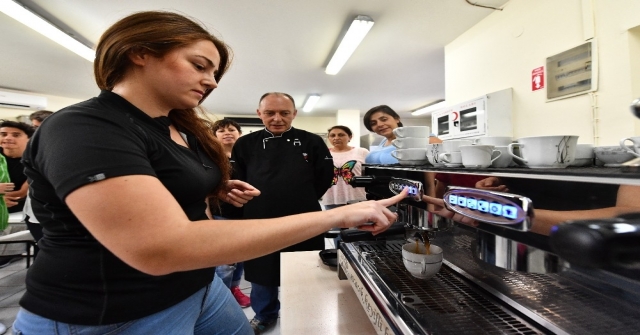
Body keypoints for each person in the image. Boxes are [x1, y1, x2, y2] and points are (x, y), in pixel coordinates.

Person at [13, 11, 406, 335]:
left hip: (198, 288)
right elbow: (159, 247)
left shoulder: (180, 129)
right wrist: (337, 214)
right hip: (110, 312)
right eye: (199, 66)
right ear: (139, 53)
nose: (211, 81)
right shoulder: (85, 127)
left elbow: (170, 186)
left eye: (215, 73)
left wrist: (216, 188)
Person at [231, 92, 335, 333]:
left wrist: (300, 196)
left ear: (294, 114)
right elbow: (239, 179)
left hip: (304, 216)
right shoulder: (245, 143)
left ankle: (305, 310)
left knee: (305, 267)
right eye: (270, 113)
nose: (277, 118)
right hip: (258, 216)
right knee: (261, 269)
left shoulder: (312, 142)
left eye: (284, 113)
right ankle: (265, 314)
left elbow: (324, 177)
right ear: (259, 114)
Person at [210, 118, 251, 308]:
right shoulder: (209, 158)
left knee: (241, 256)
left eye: (231, 129)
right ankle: (222, 300)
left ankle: (234, 289)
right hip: (220, 214)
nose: (227, 133)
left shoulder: (247, 157)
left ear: (239, 134)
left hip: (246, 215)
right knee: (225, 262)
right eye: (221, 131)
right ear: (214, 136)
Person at [363, 105, 441, 164]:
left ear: (397, 119)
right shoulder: (383, 142)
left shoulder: (417, 136)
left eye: (384, 119)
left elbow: (441, 156)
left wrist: (431, 184)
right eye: (373, 123)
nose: (379, 124)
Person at [24, 110, 54, 258]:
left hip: (52, 214)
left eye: (38, 127)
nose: (34, 131)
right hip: (35, 213)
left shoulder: (57, 149)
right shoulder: (31, 149)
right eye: (33, 127)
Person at [0, 121, 33, 213]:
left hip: (18, 209)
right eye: (3, 134)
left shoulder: (35, 161)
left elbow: (22, 193)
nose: (7, 138)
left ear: (29, 139)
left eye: (16, 135)